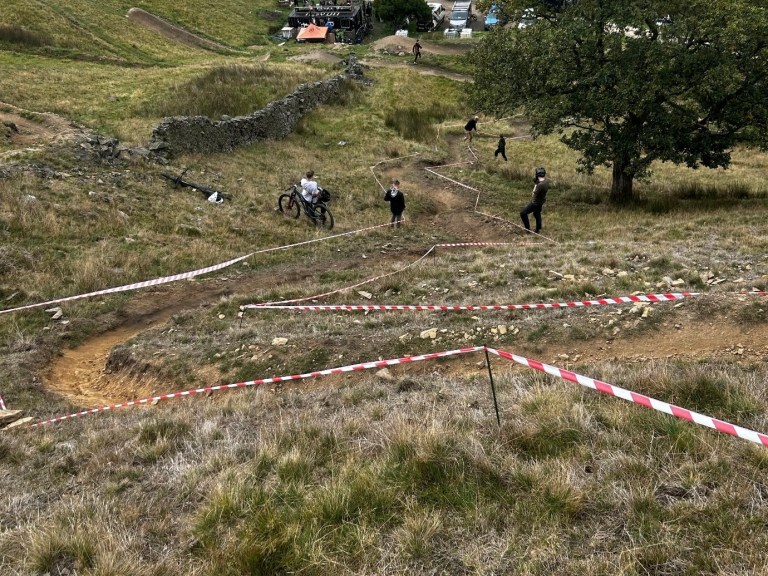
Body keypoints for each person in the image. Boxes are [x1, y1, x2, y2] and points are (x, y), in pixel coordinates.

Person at [520, 167, 550, 234]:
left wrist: (536, 184)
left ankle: (527, 230)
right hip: (541, 201)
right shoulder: (546, 181)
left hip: (535, 202)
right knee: (536, 213)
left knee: (523, 213)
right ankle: (538, 229)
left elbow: (533, 194)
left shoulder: (539, 185)